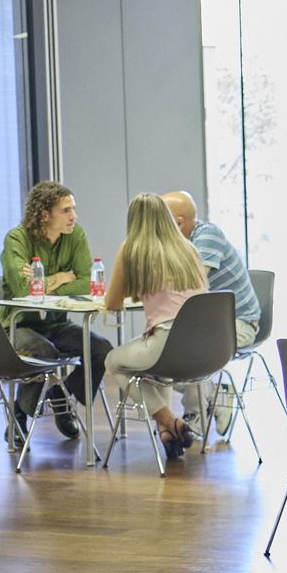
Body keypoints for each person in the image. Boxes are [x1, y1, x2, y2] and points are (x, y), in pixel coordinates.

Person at [0, 181, 114, 442]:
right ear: (44, 214)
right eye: (66, 210)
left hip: (55, 324)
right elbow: (24, 288)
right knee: (43, 352)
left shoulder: (76, 235)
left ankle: (61, 394)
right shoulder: (17, 238)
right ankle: (18, 415)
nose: (74, 216)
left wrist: (45, 282)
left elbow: (88, 282)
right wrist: (61, 276)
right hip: (18, 326)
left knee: (101, 349)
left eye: (73, 209)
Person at [102, 193, 209, 459]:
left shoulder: (132, 249)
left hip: (168, 347)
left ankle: (169, 419)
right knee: (151, 365)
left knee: (114, 362)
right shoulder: (188, 248)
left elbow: (113, 302)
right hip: (207, 347)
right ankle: (167, 431)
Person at [161, 190, 261, 437]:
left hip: (239, 323)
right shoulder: (176, 244)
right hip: (203, 325)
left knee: (196, 350)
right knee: (161, 356)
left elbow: (194, 282)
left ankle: (194, 412)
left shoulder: (208, 236)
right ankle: (218, 392)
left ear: (179, 222)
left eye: (161, 219)